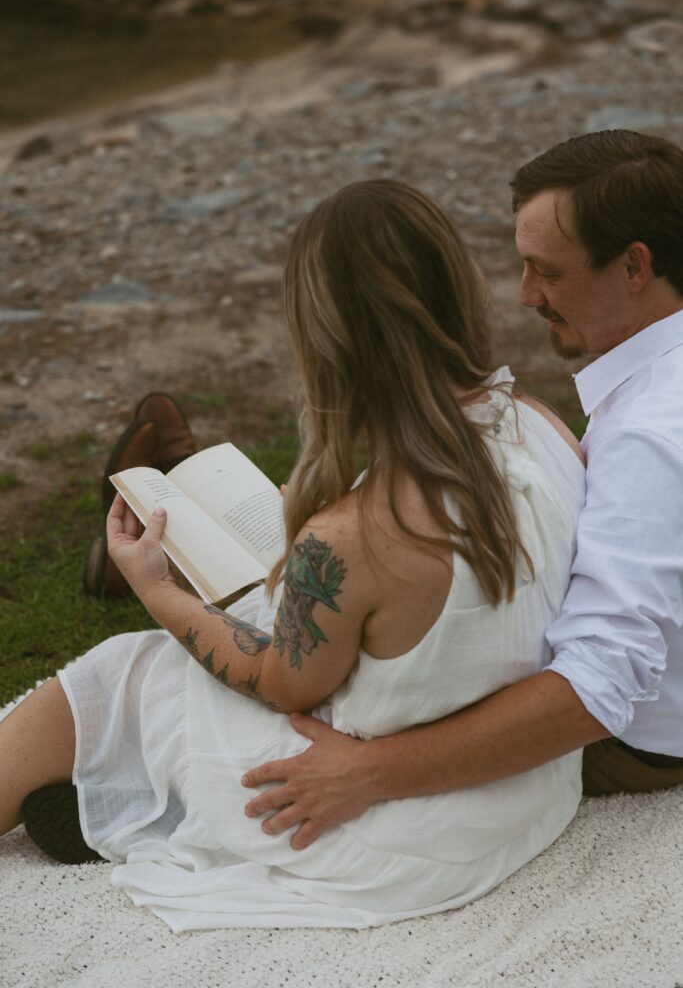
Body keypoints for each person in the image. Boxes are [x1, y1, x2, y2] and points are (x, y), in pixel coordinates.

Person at [1, 179, 586, 930]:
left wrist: (156, 591)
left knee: (122, 673)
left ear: (327, 333)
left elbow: (286, 685)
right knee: (248, 601)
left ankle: (105, 777)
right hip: (519, 795)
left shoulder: (353, 534)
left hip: (385, 830)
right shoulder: (540, 425)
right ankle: (99, 803)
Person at [237, 129, 683, 852]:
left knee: (276, 708)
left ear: (633, 265)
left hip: (636, 747)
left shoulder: (648, 436)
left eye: (547, 271)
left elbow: (598, 687)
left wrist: (368, 773)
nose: (526, 294)